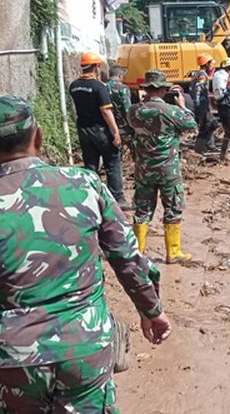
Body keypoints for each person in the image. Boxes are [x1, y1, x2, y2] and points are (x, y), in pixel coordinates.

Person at [0, 95, 170, 411]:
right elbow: (127, 257)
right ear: (38, 136)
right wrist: (151, 310)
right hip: (85, 344)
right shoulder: (84, 184)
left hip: (13, 357)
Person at [128, 70, 197, 263]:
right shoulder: (171, 111)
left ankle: (138, 253)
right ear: (163, 90)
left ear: (146, 89)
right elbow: (191, 125)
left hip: (143, 169)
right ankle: (173, 252)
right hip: (168, 169)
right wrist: (183, 106)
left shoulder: (134, 110)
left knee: (142, 210)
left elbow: (130, 128)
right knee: (173, 208)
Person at [69, 51, 127, 208]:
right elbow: (106, 111)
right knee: (112, 162)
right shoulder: (99, 87)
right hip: (100, 130)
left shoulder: (74, 86)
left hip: (83, 129)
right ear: (96, 67)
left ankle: (91, 196)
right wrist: (115, 132)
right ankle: (117, 198)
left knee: (90, 165)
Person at [192, 54, 218, 153]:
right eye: (210, 63)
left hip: (203, 104)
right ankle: (199, 148)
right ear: (206, 64)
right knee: (207, 125)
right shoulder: (202, 75)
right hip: (202, 105)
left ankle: (210, 145)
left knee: (211, 124)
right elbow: (198, 89)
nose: (211, 65)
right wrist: (198, 104)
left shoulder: (198, 74)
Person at [107, 65, 134, 155]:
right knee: (134, 149)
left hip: (108, 125)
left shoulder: (103, 87)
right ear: (119, 76)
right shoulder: (123, 88)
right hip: (123, 126)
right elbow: (127, 109)